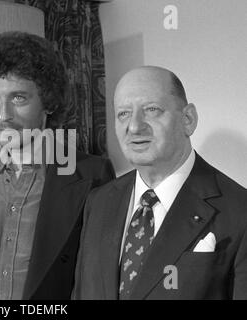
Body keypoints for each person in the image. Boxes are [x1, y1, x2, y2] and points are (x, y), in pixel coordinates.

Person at [0, 31, 115, 300]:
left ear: (48, 102)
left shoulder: (92, 175)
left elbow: (96, 277)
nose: (3, 115)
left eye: (18, 98)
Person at [73, 66, 247, 300]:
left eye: (151, 110)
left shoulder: (239, 211)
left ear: (188, 119)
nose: (134, 126)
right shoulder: (99, 201)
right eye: (123, 113)